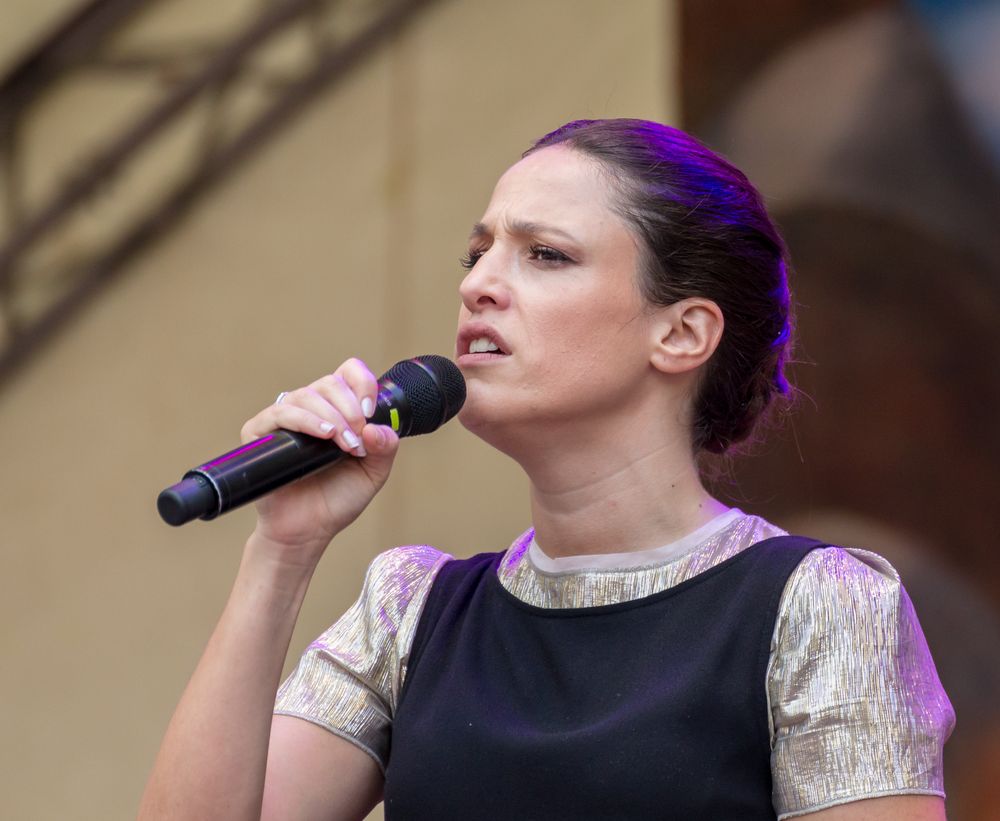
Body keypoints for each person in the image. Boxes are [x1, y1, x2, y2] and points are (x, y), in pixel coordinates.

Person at [138, 119, 954, 820]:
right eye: (477, 252)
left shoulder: (819, 607)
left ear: (681, 333)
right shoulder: (408, 611)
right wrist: (281, 549)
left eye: (546, 255)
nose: (481, 285)